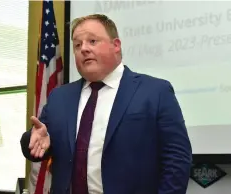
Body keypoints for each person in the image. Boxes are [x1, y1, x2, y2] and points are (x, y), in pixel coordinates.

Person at [20, 14, 192, 194]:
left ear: (116, 45)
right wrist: (33, 140)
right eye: (77, 45)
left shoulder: (155, 91)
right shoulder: (60, 97)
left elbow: (177, 159)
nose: (84, 49)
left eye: (92, 41)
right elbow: (34, 144)